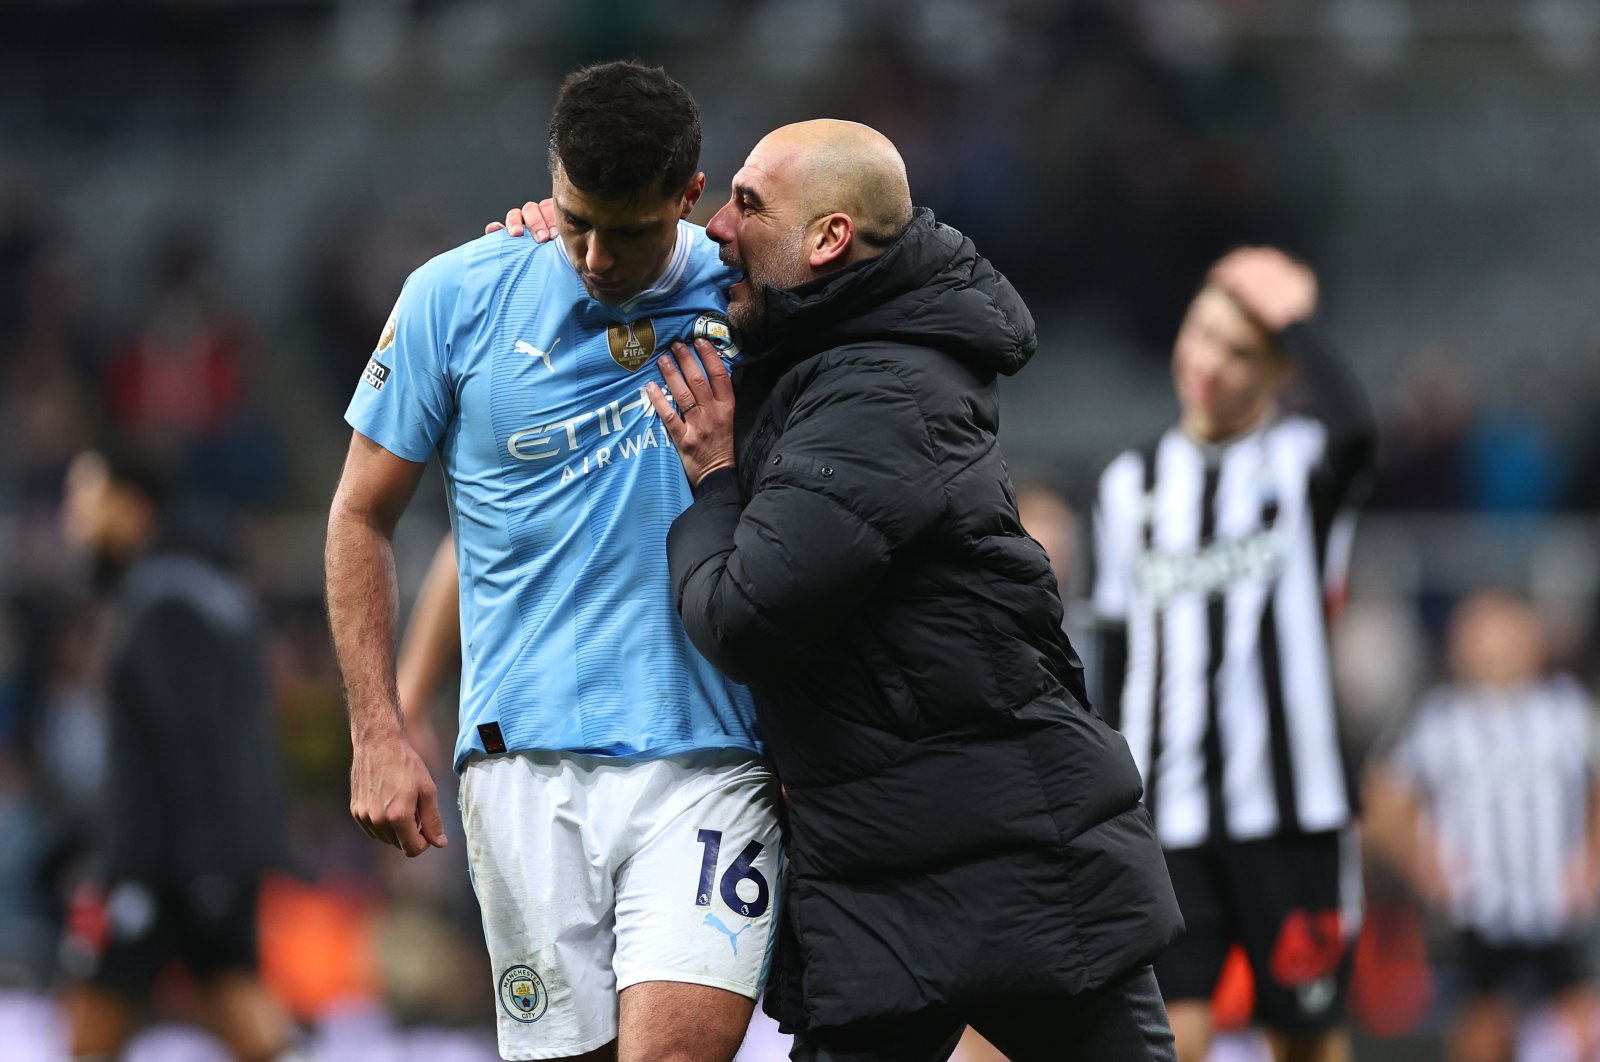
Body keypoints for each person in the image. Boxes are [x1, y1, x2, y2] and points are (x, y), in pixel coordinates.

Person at [639, 118, 1181, 1061]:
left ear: (828, 240)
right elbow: (620, 260)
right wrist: (543, 237)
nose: (719, 226)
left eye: (749, 204)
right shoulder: (832, 358)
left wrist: (718, 481)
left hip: (994, 854)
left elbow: (743, 613)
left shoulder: (881, 392)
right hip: (901, 854)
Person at [323, 61, 778, 1062]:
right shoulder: (454, 295)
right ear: (548, 178)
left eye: (627, 229)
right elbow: (361, 516)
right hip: (519, 762)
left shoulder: (751, 301)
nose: (595, 255)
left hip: (709, 758)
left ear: (688, 196)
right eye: (575, 218)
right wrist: (379, 729)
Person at [1091, 246, 1377, 1062]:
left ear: (1280, 368)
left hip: (1293, 816)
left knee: (1306, 1034)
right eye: (1203, 335)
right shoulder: (1128, 486)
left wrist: (1292, 316)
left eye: (1241, 350)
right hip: (1167, 815)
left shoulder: (1303, 464)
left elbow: (1359, 428)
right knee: (1174, 1033)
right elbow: (1112, 651)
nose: (1209, 363)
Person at [57, 447, 300, 1062]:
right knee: (229, 996)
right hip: (196, 860)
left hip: (169, 866)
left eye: (86, 496)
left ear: (131, 506)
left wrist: (202, 872)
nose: (72, 516)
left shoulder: (163, 599)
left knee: (98, 1013)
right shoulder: (208, 586)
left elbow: (195, 745)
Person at [1365, 591, 1600, 1062]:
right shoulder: (1441, 719)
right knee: (1482, 1021)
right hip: (1480, 905)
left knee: (1576, 1017)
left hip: (1556, 902)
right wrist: (1423, 861)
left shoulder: (1566, 710)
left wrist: (1592, 856)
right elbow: (1383, 796)